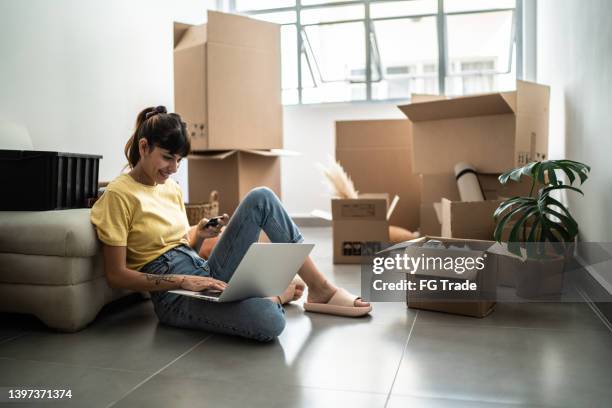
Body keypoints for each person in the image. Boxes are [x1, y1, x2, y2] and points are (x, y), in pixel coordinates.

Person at [91, 106, 372, 342]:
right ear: (144, 147)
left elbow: (179, 244)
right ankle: (273, 296)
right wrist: (183, 280)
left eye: (179, 160)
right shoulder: (118, 195)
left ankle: (321, 288)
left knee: (261, 197)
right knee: (269, 322)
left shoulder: (170, 188)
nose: (174, 168)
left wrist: (200, 235)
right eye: (167, 157)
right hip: (173, 297)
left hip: (202, 271)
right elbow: (116, 274)